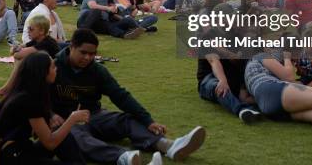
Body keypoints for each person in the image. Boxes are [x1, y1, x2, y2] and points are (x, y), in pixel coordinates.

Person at [51, 29, 206, 164]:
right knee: (74, 137)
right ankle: (123, 157)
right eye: (83, 52)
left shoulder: (97, 71)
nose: (87, 58)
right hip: (66, 121)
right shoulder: (53, 67)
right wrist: (50, 114)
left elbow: (120, 96)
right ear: (71, 47)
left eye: (92, 54)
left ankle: (168, 146)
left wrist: (148, 120)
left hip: (94, 115)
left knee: (127, 120)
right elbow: (35, 94)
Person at [0, 52, 88, 164]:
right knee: (60, 134)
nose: (56, 69)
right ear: (43, 73)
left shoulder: (22, 92)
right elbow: (50, 143)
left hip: (18, 149)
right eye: (53, 66)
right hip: (12, 156)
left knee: (62, 135)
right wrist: (72, 119)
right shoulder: (29, 100)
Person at [0, 14, 62, 100]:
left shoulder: (46, 43)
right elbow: (18, 49)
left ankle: (6, 90)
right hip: (47, 74)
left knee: (22, 59)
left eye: (31, 29)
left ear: (41, 31)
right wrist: (17, 49)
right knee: (22, 59)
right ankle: (9, 90)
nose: (28, 31)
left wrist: (16, 50)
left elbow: (17, 54)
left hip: (56, 77)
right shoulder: (37, 40)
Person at [77, 0, 145, 40]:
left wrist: (115, 8)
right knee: (97, 11)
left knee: (112, 25)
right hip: (85, 21)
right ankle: (82, 33)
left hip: (100, 23)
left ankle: (125, 34)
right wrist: (108, 8)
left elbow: (127, 6)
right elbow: (92, 6)